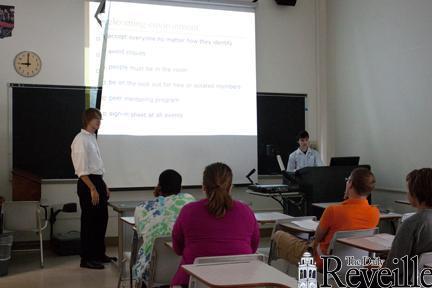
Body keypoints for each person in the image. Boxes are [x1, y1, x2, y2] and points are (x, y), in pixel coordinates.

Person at [171, 163, 260, 287]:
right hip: (239, 282)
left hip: (192, 283)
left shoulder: (188, 211)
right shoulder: (246, 211)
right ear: (230, 187)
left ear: (204, 187)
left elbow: (178, 249)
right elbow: (253, 247)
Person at [273, 168, 379, 269]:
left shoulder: (333, 210)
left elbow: (317, 238)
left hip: (322, 262)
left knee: (279, 234)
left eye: (347, 180)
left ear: (350, 184)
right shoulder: (374, 212)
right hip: (355, 262)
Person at [133, 169, 195, 284]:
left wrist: (158, 198)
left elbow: (141, 233)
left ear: (159, 187)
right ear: (180, 188)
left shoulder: (142, 208)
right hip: (186, 270)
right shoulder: (189, 201)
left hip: (152, 273)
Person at [71, 108, 114, 269]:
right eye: (96, 118)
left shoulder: (92, 138)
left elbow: (96, 166)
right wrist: (93, 189)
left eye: (100, 119)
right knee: (89, 222)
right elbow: (82, 170)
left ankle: (99, 254)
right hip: (88, 183)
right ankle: (87, 258)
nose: (99, 121)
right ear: (87, 119)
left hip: (97, 181)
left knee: (101, 220)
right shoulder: (80, 139)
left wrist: (104, 185)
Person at [384, 168, 432, 282]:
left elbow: (393, 268)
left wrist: (376, 265)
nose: (407, 193)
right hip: (426, 280)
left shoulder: (411, 223)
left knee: (358, 277)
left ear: (416, 192)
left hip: (403, 281)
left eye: (408, 189)